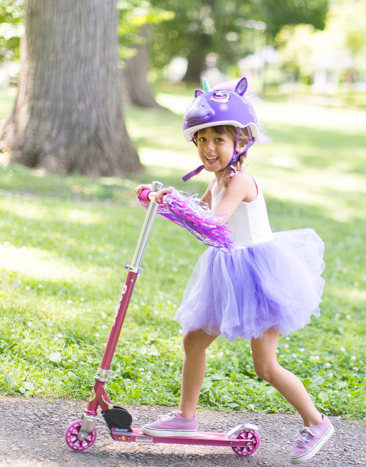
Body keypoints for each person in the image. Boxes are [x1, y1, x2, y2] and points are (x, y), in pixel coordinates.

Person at [135, 77, 333, 464]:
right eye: (202, 140)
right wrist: (162, 204)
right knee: (194, 341)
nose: (209, 148)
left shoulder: (240, 180)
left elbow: (215, 223)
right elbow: (198, 223)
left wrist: (177, 202)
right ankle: (185, 418)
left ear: (240, 142)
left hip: (260, 276)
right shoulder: (217, 178)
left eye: (218, 140)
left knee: (265, 365)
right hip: (228, 272)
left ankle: (316, 421)